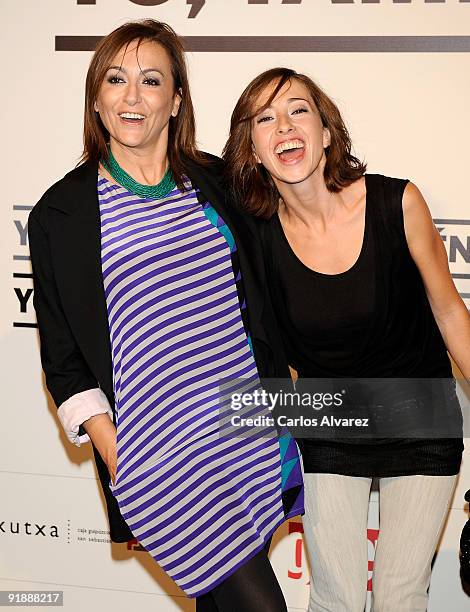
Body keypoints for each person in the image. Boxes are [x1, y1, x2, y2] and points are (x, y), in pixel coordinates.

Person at [28, 25, 303, 610]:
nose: (133, 97)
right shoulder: (62, 213)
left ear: (176, 100)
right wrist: (116, 453)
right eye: (116, 79)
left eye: (151, 81)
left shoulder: (219, 183)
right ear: (95, 97)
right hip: (160, 457)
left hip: (244, 437)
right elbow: (64, 360)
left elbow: (273, 282)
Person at [223, 67, 470, 611]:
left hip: (420, 413)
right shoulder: (255, 237)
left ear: (327, 131)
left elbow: (451, 315)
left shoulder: (396, 203)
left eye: (298, 109)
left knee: (398, 595)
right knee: (334, 597)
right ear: (253, 148)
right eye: (265, 118)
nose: (284, 125)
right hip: (328, 416)